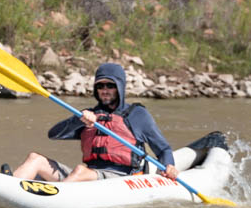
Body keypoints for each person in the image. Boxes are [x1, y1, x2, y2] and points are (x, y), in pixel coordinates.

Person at [9, 62, 179, 182]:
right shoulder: (89, 115)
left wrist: (168, 166)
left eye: (110, 85)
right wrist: (79, 120)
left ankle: (50, 204)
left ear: (119, 87)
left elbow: (163, 148)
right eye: (100, 86)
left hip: (120, 178)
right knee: (35, 159)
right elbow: (53, 134)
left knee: (79, 171)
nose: (104, 90)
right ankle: (8, 188)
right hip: (90, 174)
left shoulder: (137, 115)